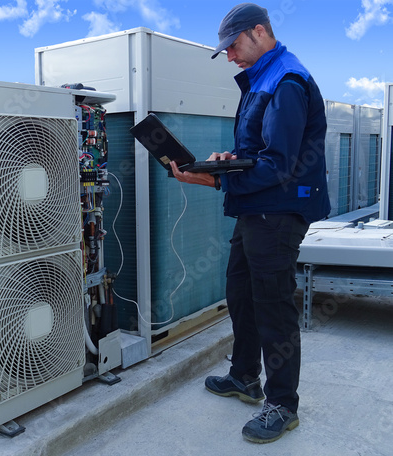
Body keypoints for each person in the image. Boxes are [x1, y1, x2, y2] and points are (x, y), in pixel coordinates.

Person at [170, 2, 330, 444]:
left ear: (259, 32)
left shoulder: (287, 81)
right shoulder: (263, 77)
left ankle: (282, 404)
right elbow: (259, 153)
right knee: (240, 294)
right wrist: (226, 162)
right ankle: (244, 376)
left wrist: (212, 180)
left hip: (278, 212)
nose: (229, 55)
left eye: (233, 45)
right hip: (256, 209)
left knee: (273, 304)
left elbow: (279, 166)